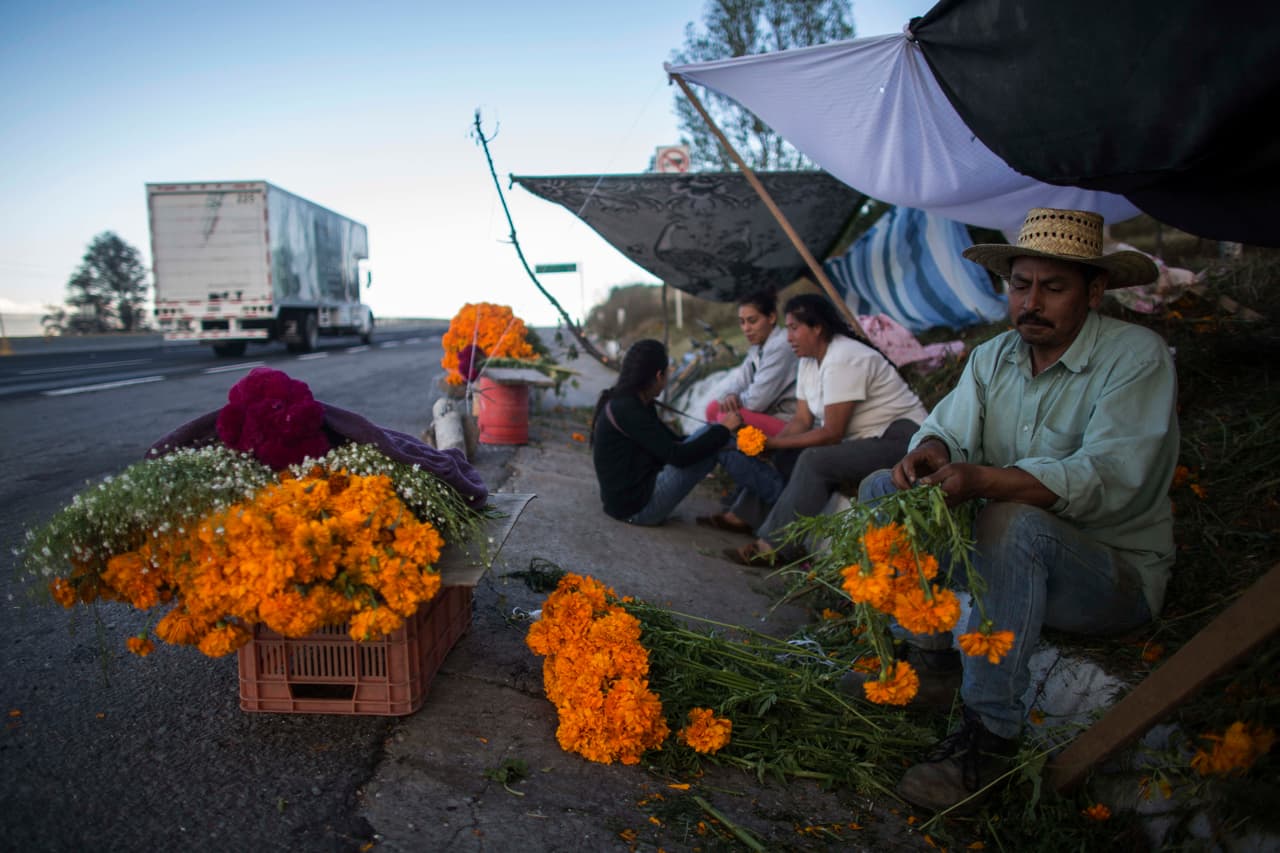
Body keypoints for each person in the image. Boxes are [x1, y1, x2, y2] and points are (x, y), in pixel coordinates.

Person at [858, 208, 1179, 812]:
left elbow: (1112, 474)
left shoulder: (1137, 357)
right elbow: (946, 432)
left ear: (1095, 290)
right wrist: (929, 453)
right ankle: (927, 663)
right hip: (1004, 565)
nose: (1031, 303)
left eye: (1053, 288)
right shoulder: (993, 357)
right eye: (1021, 285)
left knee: (1009, 519)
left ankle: (989, 739)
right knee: (883, 487)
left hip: (1109, 577)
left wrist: (989, 481)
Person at [721, 293, 928, 563]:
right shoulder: (808, 361)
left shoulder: (844, 357)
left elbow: (832, 433)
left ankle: (773, 549)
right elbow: (801, 421)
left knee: (814, 460)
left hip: (903, 439)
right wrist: (768, 446)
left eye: (794, 328)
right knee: (786, 455)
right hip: (868, 438)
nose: (788, 336)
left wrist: (772, 443)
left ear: (817, 327)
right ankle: (746, 518)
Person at [593, 338, 769, 526]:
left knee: (714, 437)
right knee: (718, 441)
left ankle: (754, 505)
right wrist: (723, 429)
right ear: (659, 375)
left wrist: (716, 432)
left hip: (626, 503)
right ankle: (777, 497)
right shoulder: (628, 409)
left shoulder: (631, 402)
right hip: (637, 509)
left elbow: (673, 442)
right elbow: (678, 456)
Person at [704, 288, 798, 438]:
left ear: (772, 317)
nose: (746, 329)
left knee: (726, 418)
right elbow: (738, 382)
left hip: (790, 421)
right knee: (713, 409)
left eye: (752, 321)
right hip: (770, 414)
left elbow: (756, 402)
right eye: (742, 322)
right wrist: (730, 394)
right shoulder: (757, 347)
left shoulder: (781, 346)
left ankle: (743, 459)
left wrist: (735, 399)